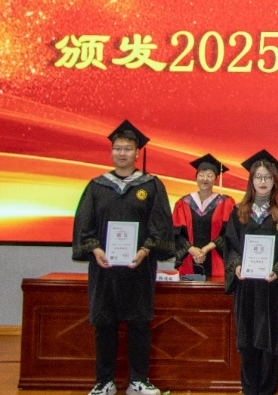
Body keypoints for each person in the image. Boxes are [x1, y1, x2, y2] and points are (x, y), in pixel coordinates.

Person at [71, 119, 175, 395]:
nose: (121, 153)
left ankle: (138, 381)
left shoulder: (151, 185)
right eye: (117, 148)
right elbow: (84, 225)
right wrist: (95, 249)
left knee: (139, 322)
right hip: (104, 267)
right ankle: (104, 382)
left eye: (127, 149)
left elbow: (160, 225)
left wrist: (145, 250)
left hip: (138, 267)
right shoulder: (97, 186)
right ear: (111, 151)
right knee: (104, 323)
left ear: (137, 152)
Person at [223, 150, 278, 395]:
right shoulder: (239, 212)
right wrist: (236, 265)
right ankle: (249, 390)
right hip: (246, 286)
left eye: (268, 177)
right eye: (258, 177)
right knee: (247, 341)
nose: (263, 181)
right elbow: (230, 246)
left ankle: (267, 391)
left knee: (269, 343)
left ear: (275, 181)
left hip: (272, 288)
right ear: (251, 180)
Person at [173, 153, 235, 278]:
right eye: (201, 175)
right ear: (196, 177)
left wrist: (206, 249)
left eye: (209, 175)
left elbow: (229, 232)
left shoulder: (226, 203)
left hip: (217, 261)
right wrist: (192, 250)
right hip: (189, 260)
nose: (205, 179)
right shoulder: (183, 203)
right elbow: (176, 233)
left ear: (216, 179)